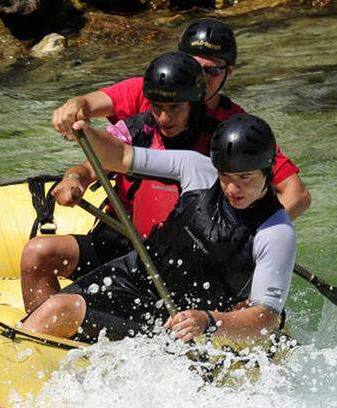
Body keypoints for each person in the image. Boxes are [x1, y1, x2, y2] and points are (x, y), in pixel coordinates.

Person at [21, 114, 296, 346]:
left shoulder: (275, 231)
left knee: (59, 309)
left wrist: (210, 321)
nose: (232, 189)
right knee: (51, 308)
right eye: (225, 175)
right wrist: (85, 131)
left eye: (245, 178)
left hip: (176, 319)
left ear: (268, 170)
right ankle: (34, 354)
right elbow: (120, 155)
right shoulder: (197, 169)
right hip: (132, 276)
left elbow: (266, 317)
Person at [50, 18, 311, 219]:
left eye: (213, 70)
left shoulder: (235, 127)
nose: (201, 76)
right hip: (126, 230)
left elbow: (296, 193)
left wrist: (252, 238)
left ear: (229, 72)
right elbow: (86, 109)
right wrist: (73, 109)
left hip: (192, 242)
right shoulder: (148, 90)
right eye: (193, 64)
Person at [21, 52, 213, 313]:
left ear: (195, 104)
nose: (165, 118)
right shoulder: (136, 129)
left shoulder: (216, 142)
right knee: (37, 254)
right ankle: (44, 337)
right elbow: (90, 168)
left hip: (179, 261)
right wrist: (74, 179)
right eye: (157, 107)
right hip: (124, 240)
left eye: (175, 108)